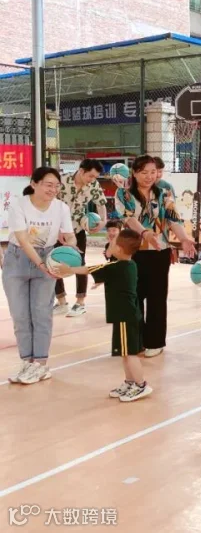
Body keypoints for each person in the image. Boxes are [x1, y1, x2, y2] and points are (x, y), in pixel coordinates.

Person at [115, 155, 196, 358]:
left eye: (153, 172)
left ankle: (155, 341)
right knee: (133, 297)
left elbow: (173, 218)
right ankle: (136, 340)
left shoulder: (164, 192)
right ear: (134, 173)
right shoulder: (123, 194)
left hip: (159, 251)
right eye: (144, 172)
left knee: (157, 298)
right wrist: (145, 233)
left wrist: (184, 239)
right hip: (132, 251)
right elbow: (129, 219)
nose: (149, 176)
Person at [4, 167, 76, 385]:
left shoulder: (61, 208)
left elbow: (70, 237)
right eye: (48, 184)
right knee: (20, 315)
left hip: (47, 257)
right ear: (34, 184)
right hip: (17, 260)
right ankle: (27, 362)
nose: (53, 189)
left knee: (41, 313)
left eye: (56, 186)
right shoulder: (19, 205)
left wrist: (69, 249)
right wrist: (41, 264)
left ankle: (41, 365)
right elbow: (23, 240)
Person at [68, 229, 151, 401]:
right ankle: (130, 382)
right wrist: (101, 281)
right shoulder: (129, 265)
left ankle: (141, 385)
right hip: (126, 315)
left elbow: (88, 269)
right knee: (125, 352)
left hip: (125, 316)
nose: (110, 243)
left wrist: (67, 268)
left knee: (130, 354)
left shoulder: (115, 267)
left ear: (118, 249)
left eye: (113, 242)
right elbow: (114, 277)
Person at [54, 158, 108, 317]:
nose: (92, 179)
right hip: (56, 230)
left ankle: (80, 303)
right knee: (54, 263)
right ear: (81, 171)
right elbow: (49, 202)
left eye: (95, 177)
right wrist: (56, 229)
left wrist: (103, 220)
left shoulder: (93, 185)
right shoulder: (61, 181)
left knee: (80, 263)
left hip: (77, 229)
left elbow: (101, 203)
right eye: (90, 176)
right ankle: (61, 302)